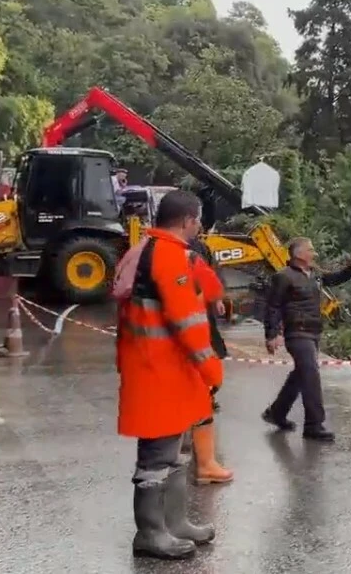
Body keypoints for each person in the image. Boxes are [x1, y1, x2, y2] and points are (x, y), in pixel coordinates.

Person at [116, 189, 223, 560]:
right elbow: (189, 322)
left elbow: (210, 292)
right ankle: (150, 532)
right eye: (198, 222)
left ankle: (174, 523)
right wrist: (212, 367)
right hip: (159, 370)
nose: (200, 228)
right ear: (189, 220)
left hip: (160, 368)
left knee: (175, 452)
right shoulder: (167, 257)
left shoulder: (146, 249)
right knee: (157, 458)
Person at [262, 238, 351, 441]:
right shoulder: (283, 277)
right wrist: (272, 335)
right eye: (311, 250)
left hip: (314, 331)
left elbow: (333, 279)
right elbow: (273, 306)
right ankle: (314, 425)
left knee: (301, 374)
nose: (314, 254)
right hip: (296, 333)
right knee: (311, 374)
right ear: (298, 254)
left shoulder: (315, 275)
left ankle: (276, 413)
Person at [186, 234, 232, 485]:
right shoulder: (185, 252)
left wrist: (216, 299)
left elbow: (213, 275)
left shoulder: (197, 248)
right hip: (192, 328)